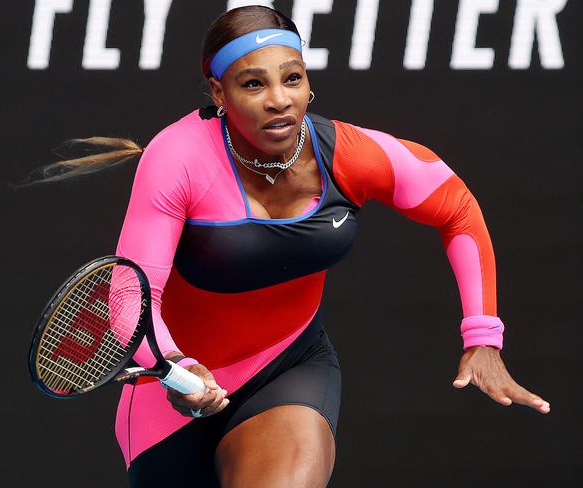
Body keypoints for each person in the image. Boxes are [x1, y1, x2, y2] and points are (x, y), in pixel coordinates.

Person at [37, 6, 550, 487]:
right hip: (170, 391)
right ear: (220, 93)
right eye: (253, 83)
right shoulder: (178, 157)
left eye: (292, 78)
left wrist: (483, 335)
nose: (279, 98)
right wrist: (175, 366)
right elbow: (129, 293)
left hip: (287, 368)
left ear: (307, 82)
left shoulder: (352, 155)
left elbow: (457, 208)